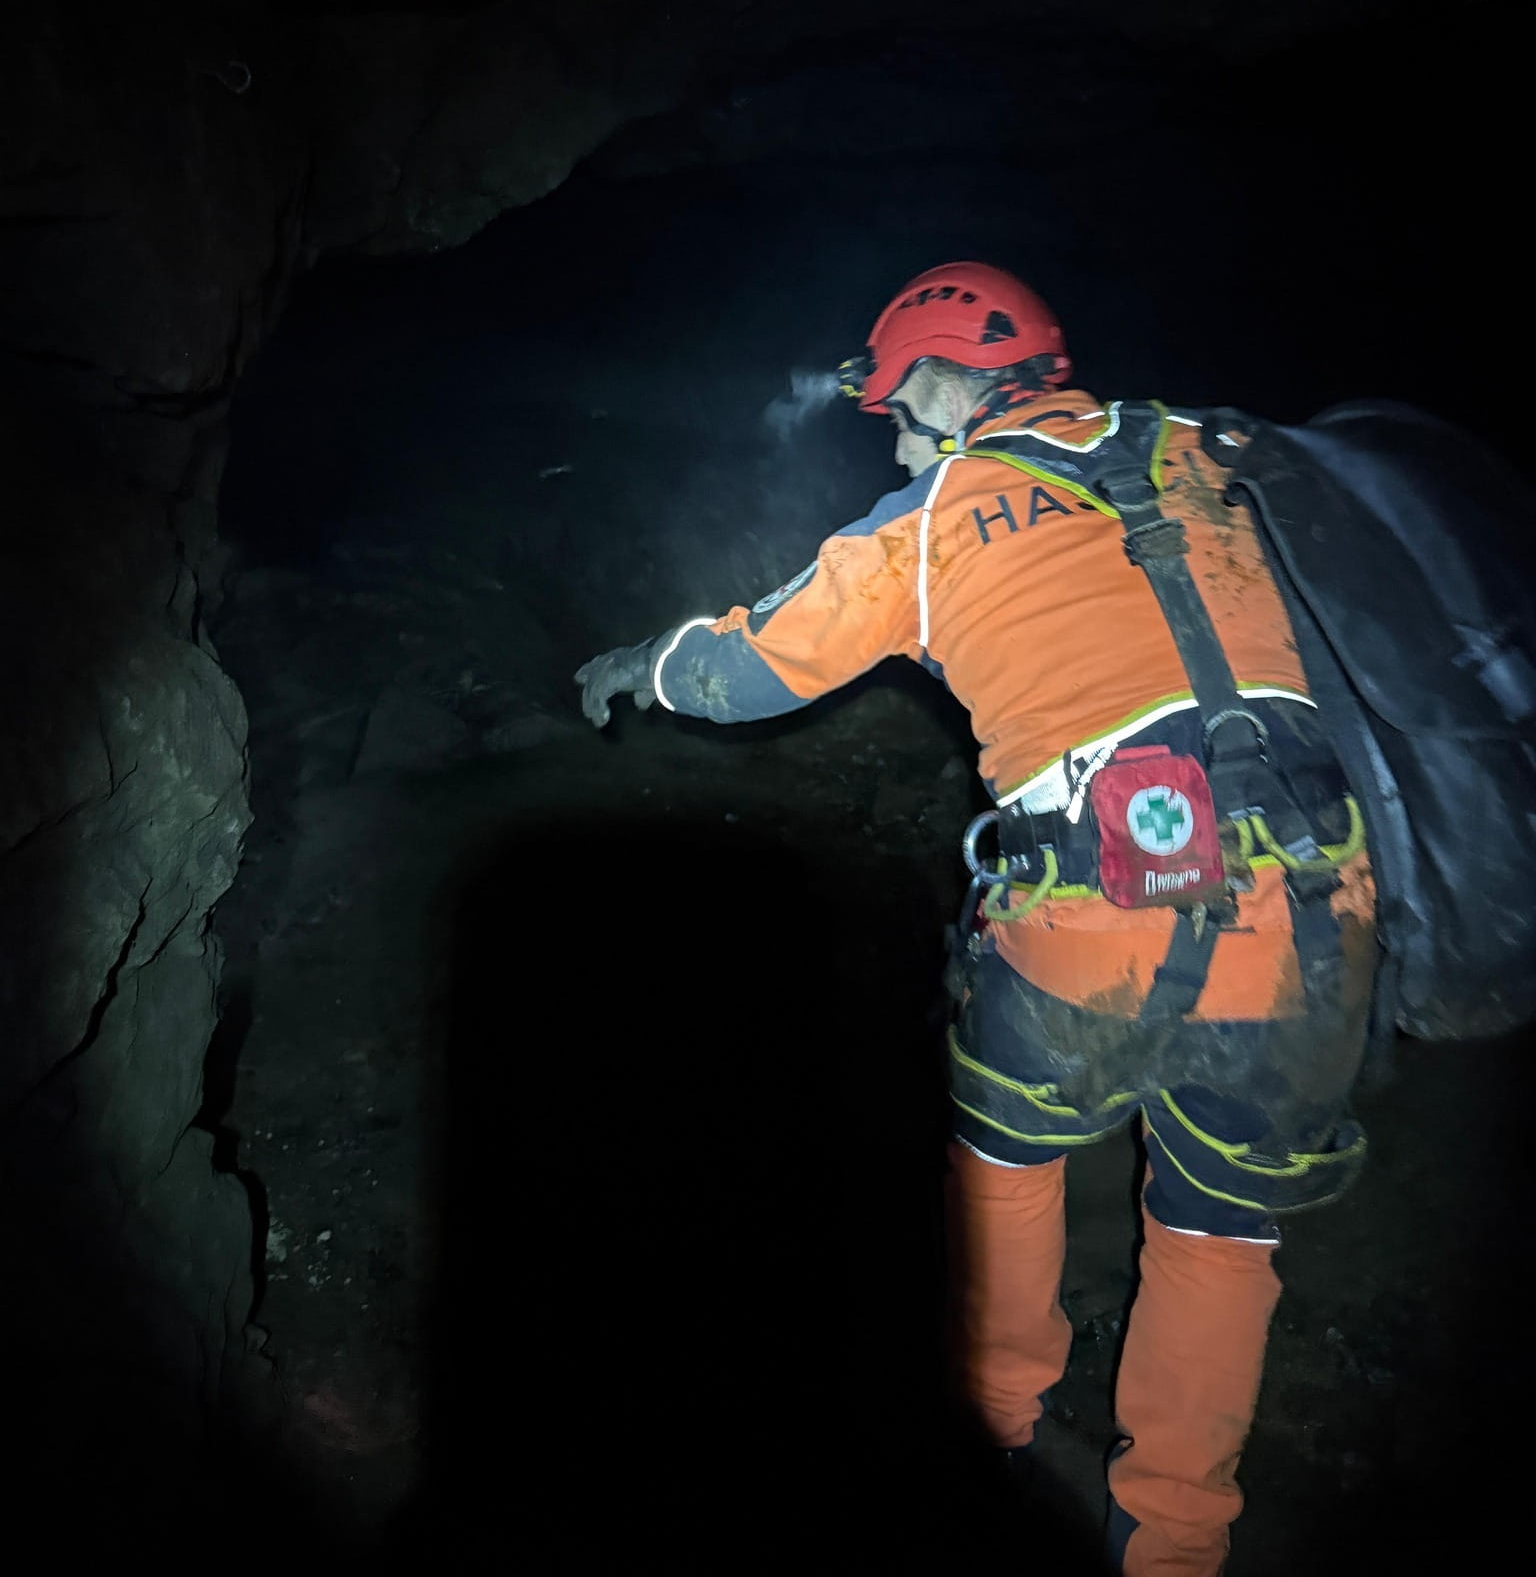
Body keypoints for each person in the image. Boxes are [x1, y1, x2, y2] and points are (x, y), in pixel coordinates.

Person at [575, 261, 1377, 1577]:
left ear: (948, 388)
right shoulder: (1213, 450)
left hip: (1093, 914)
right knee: (1221, 1233)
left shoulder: (938, 511)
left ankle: (988, 1431)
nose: (895, 440)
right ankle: (1174, 1546)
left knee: (1005, 1163)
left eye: (899, 411)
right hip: (1314, 911)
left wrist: (647, 664)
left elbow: (751, 668)